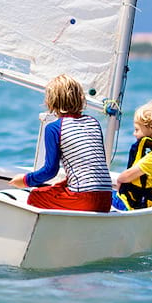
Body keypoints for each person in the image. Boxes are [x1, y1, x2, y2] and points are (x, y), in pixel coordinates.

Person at [9, 74, 113, 212]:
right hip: (106, 198)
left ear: (51, 101)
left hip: (84, 199)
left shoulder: (54, 128)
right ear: (80, 97)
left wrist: (25, 180)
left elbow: (50, 170)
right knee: (59, 186)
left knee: (35, 197)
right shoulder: (93, 123)